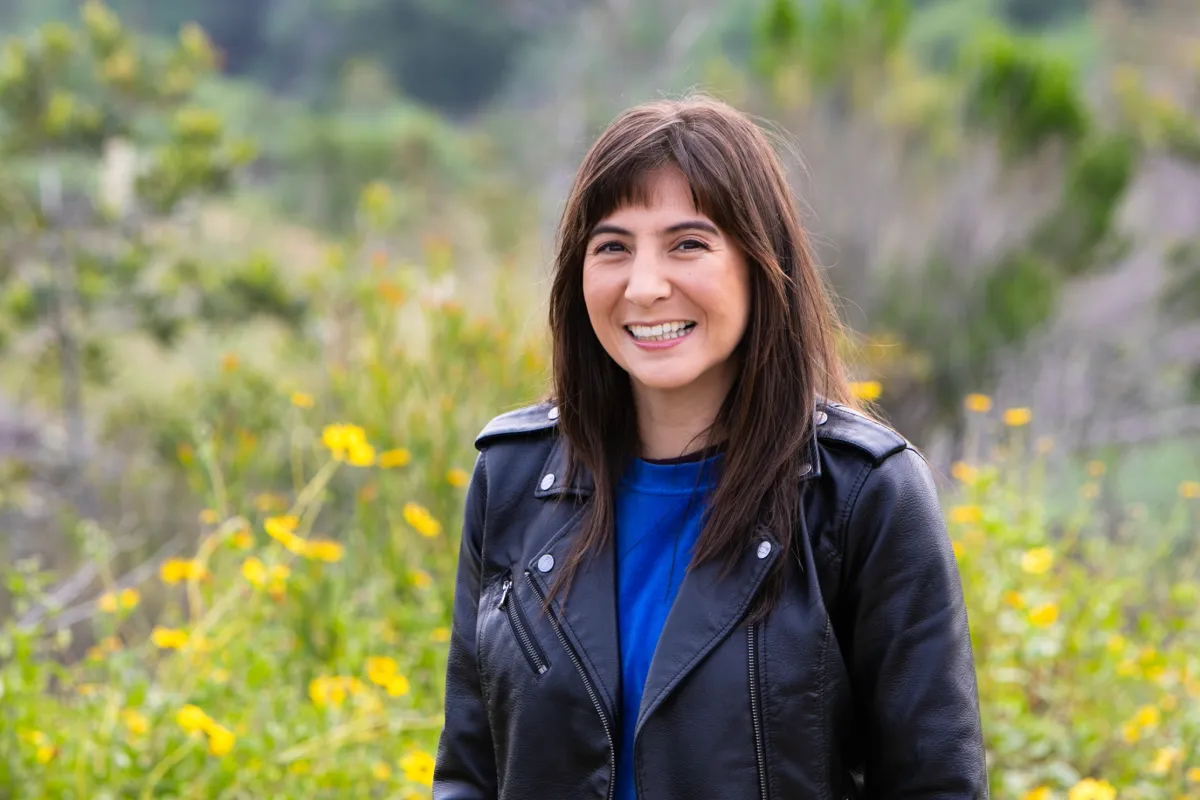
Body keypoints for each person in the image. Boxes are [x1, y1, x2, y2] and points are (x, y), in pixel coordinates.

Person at [433, 93, 988, 800]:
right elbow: (469, 774)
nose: (644, 286)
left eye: (687, 244)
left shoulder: (862, 494)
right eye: (612, 247)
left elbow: (933, 785)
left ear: (762, 265)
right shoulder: (512, 476)